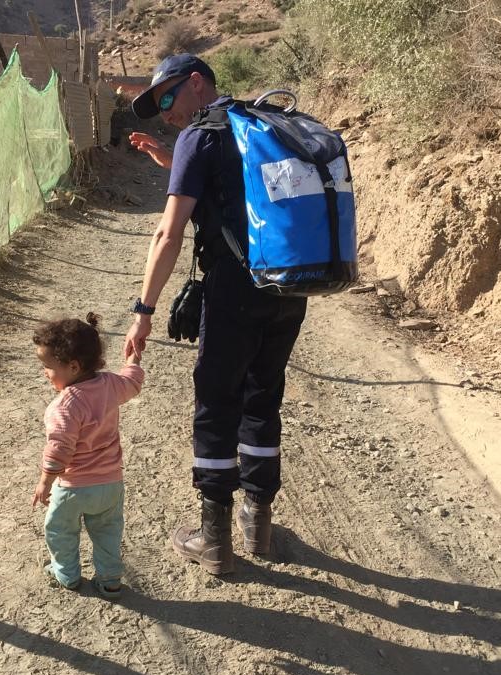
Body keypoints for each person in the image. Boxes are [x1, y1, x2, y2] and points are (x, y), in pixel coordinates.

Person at [124, 54, 307, 575]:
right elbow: (242, 196)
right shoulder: (258, 124)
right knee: (263, 394)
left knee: (216, 401)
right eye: (156, 104)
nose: (164, 111)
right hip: (289, 286)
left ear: (197, 83)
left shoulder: (199, 136)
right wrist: (171, 161)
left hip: (234, 290)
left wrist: (144, 310)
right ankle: (257, 521)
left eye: (167, 96)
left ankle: (214, 539)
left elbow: (168, 232)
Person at [32, 314, 144, 598]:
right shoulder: (109, 385)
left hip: (73, 487)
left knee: (60, 531)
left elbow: (59, 449)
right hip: (110, 484)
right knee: (107, 532)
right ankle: (109, 580)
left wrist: (46, 481)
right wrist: (133, 359)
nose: (45, 373)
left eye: (48, 367)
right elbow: (132, 382)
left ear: (73, 366)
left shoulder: (65, 406)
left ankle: (67, 574)